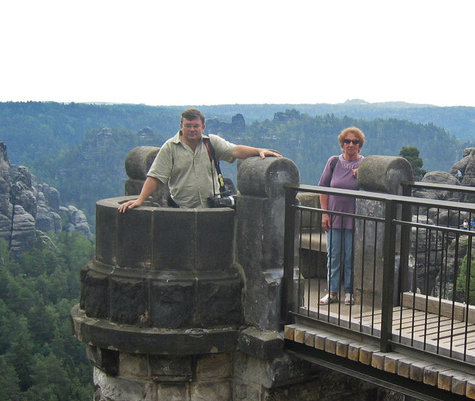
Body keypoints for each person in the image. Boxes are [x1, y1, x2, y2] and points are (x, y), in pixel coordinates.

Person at [118, 108, 281, 212]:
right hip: (182, 210)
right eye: (188, 125)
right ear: (181, 126)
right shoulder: (170, 147)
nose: (192, 129)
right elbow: (155, 176)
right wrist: (140, 200)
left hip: (212, 209)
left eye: (196, 126)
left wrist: (259, 151)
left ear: (203, 127)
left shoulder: (211, 142)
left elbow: (235, 150)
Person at [318, 127, 365, 305]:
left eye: (355, 142)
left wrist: (362, 177)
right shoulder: (333, 162)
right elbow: (323, 188)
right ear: (342, 143)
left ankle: (349, 292)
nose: (351, 144)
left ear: (360, 145)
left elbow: (372, 191)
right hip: (334, 217)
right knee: (334, 256)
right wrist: (324, 213)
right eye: (347, 141)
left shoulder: (365, 165)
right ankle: (332, 292)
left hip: (355, 220)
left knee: (350, 257)